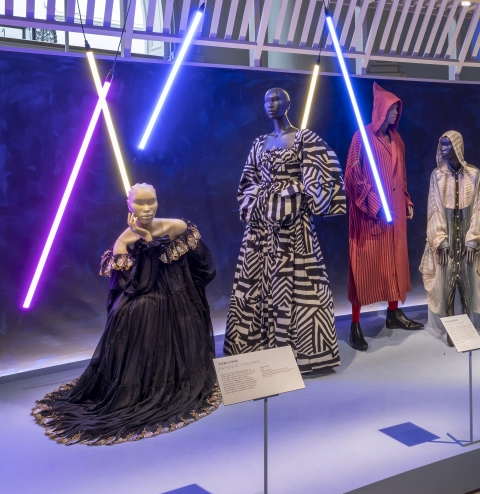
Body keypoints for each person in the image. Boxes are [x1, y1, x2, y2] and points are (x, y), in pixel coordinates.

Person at [32, 184, 218, 445]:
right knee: (134, 312)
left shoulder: (176, 227)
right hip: (143, 296)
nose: (147, 208)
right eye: (140, 203)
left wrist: (186, 285)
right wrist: (145, 240)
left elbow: (205, 266)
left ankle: (175, 377)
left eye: (151, 201)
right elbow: (137, 286)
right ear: (128, 207)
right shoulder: (124, 241)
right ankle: (139, 387)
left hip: (177, 298)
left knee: (157, 311)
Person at [225, 88, 345, 372]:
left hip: (293, 229)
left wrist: (291, 196)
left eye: (277, 99)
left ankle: (300, 353)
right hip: (261, 232)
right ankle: (258, 348)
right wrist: (262, 202)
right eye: (267, 100)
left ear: (288, 103)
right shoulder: (259, 143)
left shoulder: (305, 138)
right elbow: (247, 182)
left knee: (301, 284)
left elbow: (323, 175)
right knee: (253, 282)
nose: (271, 104)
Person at [344, 83, 422, 351]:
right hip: (370, 216)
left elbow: (401, 176)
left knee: (394, 265)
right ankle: (355, 324)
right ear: (380, 109)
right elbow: (352, 177)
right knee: (363, 269)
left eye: (398, 108)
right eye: (391, 107)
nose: (395, 111)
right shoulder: (361, 137)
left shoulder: (397, 139)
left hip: (395, 214)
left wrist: (406, 200)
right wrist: (375, 205)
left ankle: (393, 314)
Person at [419, 131, 480, 345]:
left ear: (457, 147)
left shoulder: (474, 174)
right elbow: (434, 209)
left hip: (468, 235)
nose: (442, 148)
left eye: (447, 144)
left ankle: (466, 325)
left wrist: (473, 238)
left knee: (468, 282)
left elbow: (479, 207)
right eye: (441, 144)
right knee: (447, 282)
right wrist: (439, 239)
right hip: (447, 237)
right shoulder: (437, 176)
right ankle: (451, 324)